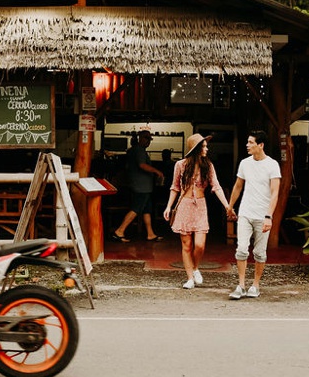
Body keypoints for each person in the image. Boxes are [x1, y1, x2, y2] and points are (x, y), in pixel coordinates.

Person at [164, 133, 235, 289]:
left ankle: (195, 268)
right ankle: (190, 277)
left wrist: (227, 206)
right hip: (184, 205)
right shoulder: (180, 165)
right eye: (203, 146)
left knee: (200, 245)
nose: (206, 149)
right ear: (196, 149)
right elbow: (175, 188)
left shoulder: (208, 166)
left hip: (200, 206)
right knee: (186, 245)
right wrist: (169, 206)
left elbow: (216, 186)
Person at [226, 131, 282, 300]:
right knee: (241, 249)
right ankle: (241, 285)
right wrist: (230, 206)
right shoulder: (244, 163)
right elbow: (237, 186)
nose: (247, 145)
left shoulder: (272, 165)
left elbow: (275, 193)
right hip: (245, 213)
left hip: (262, 215)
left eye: (251, 142)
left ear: (261, 145)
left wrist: (269, 216)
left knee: (259, 253)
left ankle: (255, 284)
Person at [111, 128, 165, 242]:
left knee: (146, 210)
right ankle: (119, 231)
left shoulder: (133, 150)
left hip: (142, 186)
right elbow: (142, 165)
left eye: (150, 139)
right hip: (141, 186)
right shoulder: (139, 150)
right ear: (139, 138)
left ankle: (150, 234)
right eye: (146, 138)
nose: (148, 141)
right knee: (136, 209)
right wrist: (157, 171)